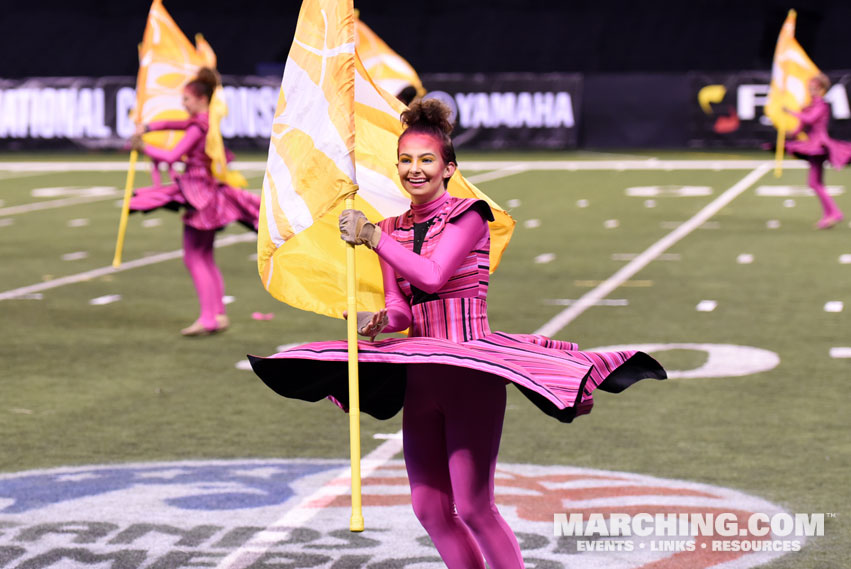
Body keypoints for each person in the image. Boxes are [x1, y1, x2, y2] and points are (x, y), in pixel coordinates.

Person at [248, 99, 666, 569]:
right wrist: (380, 320)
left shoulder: (469, 216)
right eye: (405, 160)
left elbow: (433, 275)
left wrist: (371, 238)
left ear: (448, 168)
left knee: (473, 506)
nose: (414, 169)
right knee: (428, 507)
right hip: (422, 375)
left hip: (471, 368)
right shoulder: (389, 229)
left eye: (426, 160)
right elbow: (401, 305)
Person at [129, 68, 261, 336]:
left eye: (187, 100)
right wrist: (149, 127)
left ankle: (208, 318)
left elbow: (172, 156)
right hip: (207, 191)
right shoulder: (205, 120)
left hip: (199, 194)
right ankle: (217, 315)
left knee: (194, 257)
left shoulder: (198, 126)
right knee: (205, 256)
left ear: (201, 99)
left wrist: (143, 148)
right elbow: (175, 125)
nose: (183, 105)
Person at [782, 74, 851, 229]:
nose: (812, 91)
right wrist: (791, 133)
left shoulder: (821, 105)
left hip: (819, 145)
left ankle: (834, 213)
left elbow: (810, 119)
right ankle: (830, 215)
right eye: (810, 89)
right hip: (811, 144)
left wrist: (791, 112)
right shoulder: (809, 106)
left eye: (815, 88)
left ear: (821, 90)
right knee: (816, 182)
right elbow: (801, 125)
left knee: (814, 183)